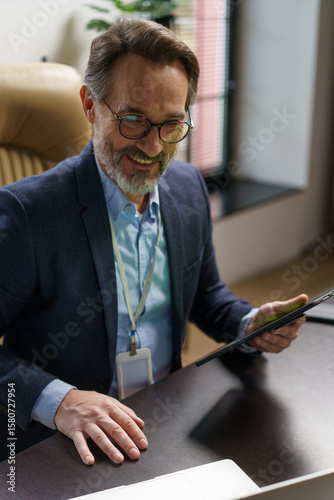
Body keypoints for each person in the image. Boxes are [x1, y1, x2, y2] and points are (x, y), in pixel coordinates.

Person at [0, 17, 307, 465]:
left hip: (166, 422)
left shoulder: (187, 188)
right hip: (66, 445)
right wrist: (60, 402)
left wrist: (248, 323)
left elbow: (206, 295)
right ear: (90, 105)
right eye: (133, 121)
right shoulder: (27, 213)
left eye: (171, 126)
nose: (152, 147)